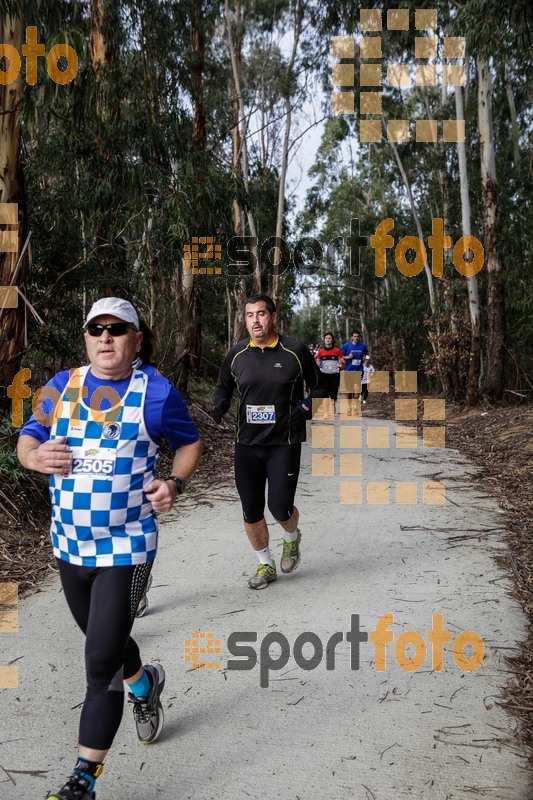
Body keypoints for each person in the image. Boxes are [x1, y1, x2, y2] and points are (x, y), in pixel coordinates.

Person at [17, 297, 202, 800]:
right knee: (111, 642)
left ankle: (83, 780)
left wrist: (174, 484)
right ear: (85, 337)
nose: (105, 337)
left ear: (136, 339)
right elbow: (27, 438)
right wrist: (35, 457)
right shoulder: (60, 388)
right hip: (69, 547)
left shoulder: (156, 393)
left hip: (127, 546)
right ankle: (145, 683)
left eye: (117, 329)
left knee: (99, 662)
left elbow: (189, 444)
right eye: (96, 328)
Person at [211, 293, 328, 590]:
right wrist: (220, 404)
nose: (255, 321)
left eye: (261, 314)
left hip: (284, 443)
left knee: (280, 508)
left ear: (273, 317)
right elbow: (223, 386)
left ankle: (291, 538)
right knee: (251, 509)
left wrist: (305, 408)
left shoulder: (295, 351)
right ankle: (265, 564)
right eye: (249, 315)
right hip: (247, 445)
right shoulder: (237, 354)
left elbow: (320, 387)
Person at [315, 332, 344, 418]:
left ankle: (333, 404)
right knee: (325, 394)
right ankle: (326, 412)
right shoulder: (321, 352)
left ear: (332, 340)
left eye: (329, 338)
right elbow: (318, 362)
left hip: (334, 375)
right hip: (324, 375)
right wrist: (318, 369)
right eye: (326, 338)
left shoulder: (337, 351)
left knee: (333, 393)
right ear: (324, 340)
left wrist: (341, 363)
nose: (328, 340)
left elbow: (341, 360)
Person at [340, 330, 368, 416]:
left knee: (356, 389)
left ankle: (355, 407)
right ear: (352, 337)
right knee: (349, 391)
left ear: (360, 337)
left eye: (357, 337)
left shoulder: (363, 346)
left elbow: (367, 355)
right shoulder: (347, 345)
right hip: (348, 370)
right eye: (354, 336)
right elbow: (340, 357)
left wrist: (365, 360)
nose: (356, 338)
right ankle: (349, 407)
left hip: (359, 370)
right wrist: (347, 357)